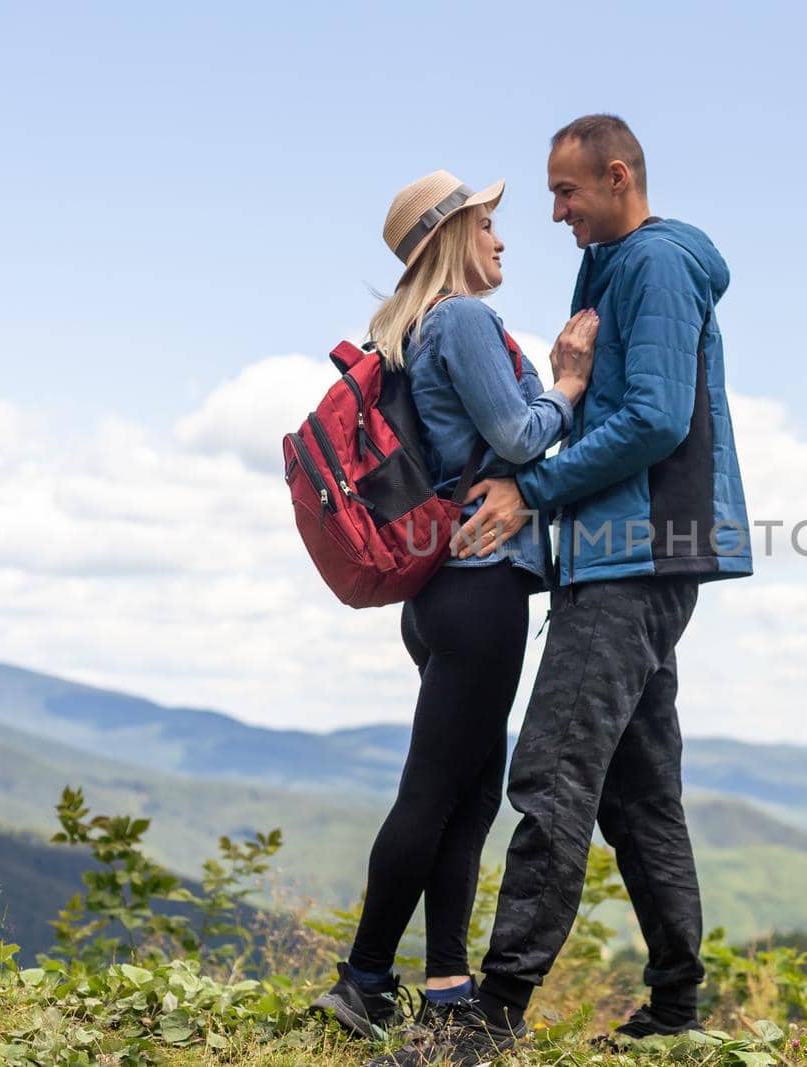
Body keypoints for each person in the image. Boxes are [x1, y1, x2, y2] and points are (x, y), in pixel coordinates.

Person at [384, 115, 753, 1067]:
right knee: (637, 794)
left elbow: (655, 418)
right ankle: (677, 1009)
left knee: (551, 776)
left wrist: (531, 489)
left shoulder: (656, 265)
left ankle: (491, 1016)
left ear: (617, 175)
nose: (554, 214)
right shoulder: (610, 267)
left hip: (637, 556)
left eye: (567, 193)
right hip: (620, 556)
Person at [309, 169, 598, 1038]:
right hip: (479, 585)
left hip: (443, 590)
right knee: (435, 791)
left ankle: (442, 983)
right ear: (453, 239)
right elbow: (515, 437)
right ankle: (362, 980)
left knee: (469, 795)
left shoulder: (418, 329)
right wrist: (568, 384)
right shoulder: (465, 319)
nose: (503, 239)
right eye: (488, 225)